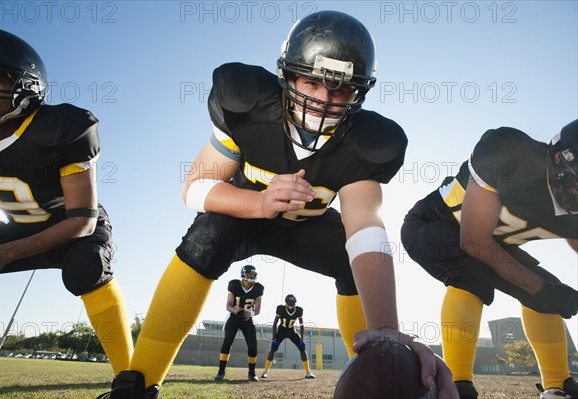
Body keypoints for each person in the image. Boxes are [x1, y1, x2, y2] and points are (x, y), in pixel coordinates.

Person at [97, 10, 457, 399]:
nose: (324, 100)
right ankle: (138, 382)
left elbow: (365, 227)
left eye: (340, 89)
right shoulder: (245, 101)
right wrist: (259, 202)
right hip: (244, 216)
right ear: (287, 75)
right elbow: (196, 187)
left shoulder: (370, 142)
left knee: (354, 263)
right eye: (312, 82)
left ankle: (372, 362)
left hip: (309, 227)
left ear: (358, 91)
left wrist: (388, 328)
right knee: (208, 234)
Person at [0, 25, 134, 377]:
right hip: (17, 227)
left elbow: (82, 220)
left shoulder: (63, 127)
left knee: (86, 266)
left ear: (25, 86)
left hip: (72, 228)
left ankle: (131, 376)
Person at [401, 120, 578, 399]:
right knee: (474, 276)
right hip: (433, 224)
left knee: (549, 289)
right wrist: (542, 290)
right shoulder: (511, 155)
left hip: (490, 241)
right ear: (561, 161)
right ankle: (456, 383)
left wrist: (546, 291)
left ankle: (558, 385)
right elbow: (473, 241)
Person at [213, 264, 264, 382]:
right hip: (234, 317)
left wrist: (251, 313)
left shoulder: (258, 288)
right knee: (227, 342)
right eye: (250, 274)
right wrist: (234, 310)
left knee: (252, 345)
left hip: (247, 319)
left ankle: (252, 373)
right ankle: (221, 372)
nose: (252, 276)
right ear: (244, 274)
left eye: (253, 274)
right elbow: (228, 305)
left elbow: (258, 309)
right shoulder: (235, 285)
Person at [260, 294, 315, 379]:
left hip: (291, 331)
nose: (290, 304)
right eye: (289, 302)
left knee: (302, 347)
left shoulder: (298, 310)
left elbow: (301, 325)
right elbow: (274, 324)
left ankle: (308, 372)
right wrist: (274, 338)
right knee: (273, 347)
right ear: (286, 302)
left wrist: (302, 339)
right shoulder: (281, 309)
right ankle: (265, 371)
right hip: (281, 330)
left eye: (292, 302)